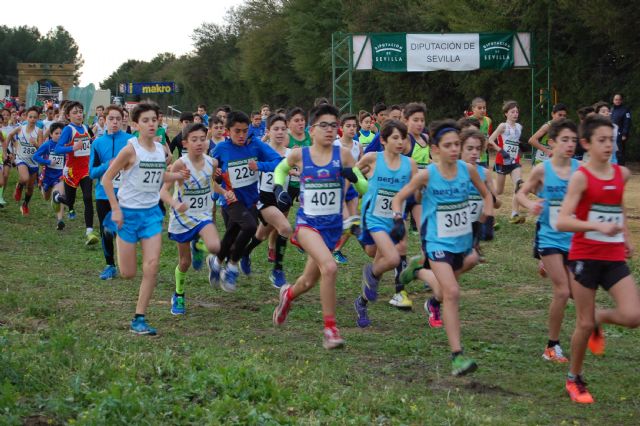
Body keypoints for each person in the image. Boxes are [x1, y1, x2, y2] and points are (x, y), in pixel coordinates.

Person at [392, 120, 493, 376]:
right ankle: (457, 356)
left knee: (459, 272)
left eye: (456, 145)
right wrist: (396, 219)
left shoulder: (467, 170)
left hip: (461, 240)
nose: (454, 150)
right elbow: (399, 197)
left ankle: (418, 270)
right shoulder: (428, 174)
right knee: (452, 291)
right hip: (436, 240)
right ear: (435, 149)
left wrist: (487, 220)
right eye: (447, 145)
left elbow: (487, 195)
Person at [556, 114, 640, 404]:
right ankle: (574, 378)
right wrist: (596, 226)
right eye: (602, 140)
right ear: (586, 144)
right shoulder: (581, 177)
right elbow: (563, 221)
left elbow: (617, 204)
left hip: (613, 255)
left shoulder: (621, 174)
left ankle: (599, 318)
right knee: (582, 324)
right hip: (585, 257)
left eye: (611, 140)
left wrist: (625, 236)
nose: (608, 145)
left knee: (633, 316)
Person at [271, 103, 368, 350]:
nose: (329, 130)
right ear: (312, 130)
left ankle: (288, 295)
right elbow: (280, 170)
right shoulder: (299, 155)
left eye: (333, 125)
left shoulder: (344, 156)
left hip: (332, 228)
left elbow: (364, 188)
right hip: (307, 225)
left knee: (307, 281)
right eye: (323, 125)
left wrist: (354, 176)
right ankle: (330, 329)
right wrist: (280, 189)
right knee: (330, 267)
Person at [101, 102, 189, 335]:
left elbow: (158, 176)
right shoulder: (130, 149)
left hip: (151, 214)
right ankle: (112, 224)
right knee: (128, 273)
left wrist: (176, 174)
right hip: (127, 214)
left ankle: (139, 318)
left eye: (154, 120)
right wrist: (116, 209)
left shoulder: (161, 149)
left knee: (152, 266)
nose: (151, 124)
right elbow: (106, 180)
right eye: (145, 121)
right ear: (135, 124)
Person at [516, 119, 580, 363]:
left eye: (573, 140)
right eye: (565, 139)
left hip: (573, 239)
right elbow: (521, 193)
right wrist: (531, 204)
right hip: (549, 237)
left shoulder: (580, 169)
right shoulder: (543, 170)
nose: (570, 144)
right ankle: (551, 347)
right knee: (562, 291)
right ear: (551, 142)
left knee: (579, 292)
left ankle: (590, 325)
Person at [208, 111, 282, 291]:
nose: (241, 135)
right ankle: (232, 267)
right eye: (237, 131)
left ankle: (216, 262)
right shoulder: (221, 149)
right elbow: (209, 172)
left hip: (250, 199)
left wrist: (260, 166)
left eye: (244, 131)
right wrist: (217, 177)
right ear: (228, 131)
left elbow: (278, 161)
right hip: (230, 199)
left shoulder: (255, 144)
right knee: (250, 227)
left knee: (232, 234)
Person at [353, 119, 415, 327]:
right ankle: (369, 272)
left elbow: (416, 192)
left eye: (403, 138)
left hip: (397, 219)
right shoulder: (372, 158)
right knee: (393, 259)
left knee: (378, 261)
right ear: (383, 140)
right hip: (374, 217)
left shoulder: (410, 164)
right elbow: (352, 175)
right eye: (395, 138)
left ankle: (361, 303)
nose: (400, 142)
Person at [164, 123, 227, 315]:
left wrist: (224, 191)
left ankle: (202, 248)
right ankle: (179, 294)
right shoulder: (180, 164)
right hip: (182, 217)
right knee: (185, 263)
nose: (199, 143)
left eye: (202, 139)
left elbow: (210, 185)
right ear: (185, 143)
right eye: (194, 140)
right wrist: (176, 205)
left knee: (216, 247)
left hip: (203, 214)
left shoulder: (212, 163)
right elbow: (162, 191)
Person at [240, 114, 293, 288]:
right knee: (285, 228)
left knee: (262, 235)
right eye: (275, 129)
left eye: (283, 129)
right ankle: (277, 270)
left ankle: (245, 252)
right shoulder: (261, 151)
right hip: (264, 198)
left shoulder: (291, 154)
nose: (279, 132)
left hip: (282, 198)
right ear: (268, 131)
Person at [89, 105, 132, 280]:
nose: (114, 122)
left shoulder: (131, 141)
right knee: (106, 230)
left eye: (118, 119)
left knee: (123, 230)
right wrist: (109, 164)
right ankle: (110, 265)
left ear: (123, 120)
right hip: (103, 194)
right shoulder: (98, 143)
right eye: (111, 119)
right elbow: (92, 172)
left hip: (127, 194)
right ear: (104, 120)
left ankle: (126, 263)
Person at [53, 101, 99, 244]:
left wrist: (94, 143)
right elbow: (58, 149)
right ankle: (57, 198)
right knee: (69, 201)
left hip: (85, 169)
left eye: (80, 111)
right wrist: (73, 147)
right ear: (68, 116)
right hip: (71, 171)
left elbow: (90, 142)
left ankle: (89, 232)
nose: (79, 115)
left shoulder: (85, 127)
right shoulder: (68, 129)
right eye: (75, 112)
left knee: (87, 198)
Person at [331, 113, 362, 264]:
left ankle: (336, 250)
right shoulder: (335, 145)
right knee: (341, 221)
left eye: (354, 126)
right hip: (336, 187)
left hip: (351, 188)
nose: (351, 129)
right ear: (341, 128)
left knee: (353, 221)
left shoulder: (358, 146)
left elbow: (359, 168)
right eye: (348, 126)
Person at [488, 100, 525, 224]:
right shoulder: (503, 126)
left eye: (517, 112)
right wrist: (501, 150)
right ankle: (487, 186)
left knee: (519, 185)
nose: (515, 114)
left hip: (514, 161)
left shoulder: (519, 127)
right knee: (499, 191)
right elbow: (491, 140)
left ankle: (515, 214)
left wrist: (519, 148)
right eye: (512, 112)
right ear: (506, 114)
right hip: (502, 161)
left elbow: (514, 142)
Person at [6, 106, 43, 216]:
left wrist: (35, 144)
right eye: (30, 117)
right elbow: (9, 135)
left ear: (38, 119)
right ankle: (19, 186)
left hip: (33, 162)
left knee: (30, 188)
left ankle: (25, 204)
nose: (32, 119)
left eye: (35, 117)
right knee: (25, 178)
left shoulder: (39, 131)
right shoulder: (20, 128)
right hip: (21, 158)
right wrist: (7, 150)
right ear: (26, 117)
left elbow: (40, 149)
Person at [33, 121, 66, 229]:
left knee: (60, 195)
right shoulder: (47, 145)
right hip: (47, 176)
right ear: (51, 134)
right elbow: (36, 156)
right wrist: (47, 162)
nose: (59, 135)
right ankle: (45, 190)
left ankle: (60, 220)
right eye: (56, 133)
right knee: (46, 197)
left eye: (61, 133)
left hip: (59, 176)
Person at [286, 107, 311, 201]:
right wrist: (289, 153)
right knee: (284, 211)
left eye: (302, 120)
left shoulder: (310, 137)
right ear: (288, 124)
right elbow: (277, 157)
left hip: (307, 180)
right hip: (290, 182)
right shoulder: (286, 138)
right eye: (296, 120)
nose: (300, 123)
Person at [466, 97, 493, 167]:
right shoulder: (468, 121)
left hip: (483, 157)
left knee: (483, 177)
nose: (482, 110)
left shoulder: (488, 120)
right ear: (473, 109)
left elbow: (487, 135)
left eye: (484, 108)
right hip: (470, 157)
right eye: (479, 108)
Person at [610, 93, 631, 165]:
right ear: (613, 100)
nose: (617, 101)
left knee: (620, 152)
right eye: (616, 99)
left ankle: (621, 167)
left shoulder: (625, 110)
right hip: (612, 135)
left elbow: (627, 122)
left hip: (620, 135)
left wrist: (624, 134)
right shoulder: (611, 109)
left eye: (619, 100)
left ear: (621, 101)